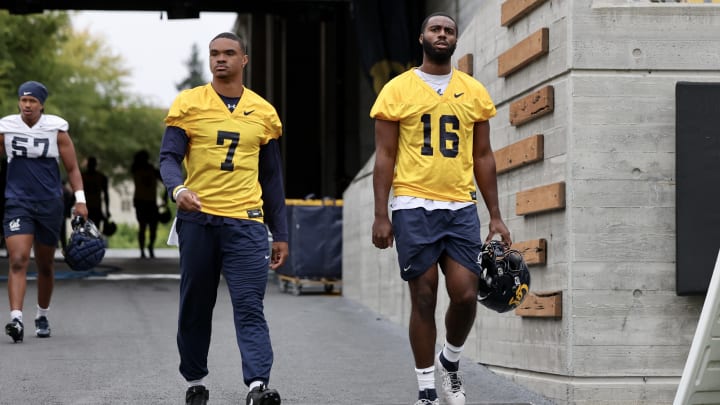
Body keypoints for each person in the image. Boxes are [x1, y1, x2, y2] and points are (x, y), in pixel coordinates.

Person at [370, 13, 512, 405]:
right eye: (436, 29)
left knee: (466, 294)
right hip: (413, 203)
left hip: (459, 205)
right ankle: (427, 389)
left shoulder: (474, 91)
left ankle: (449, 362)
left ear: (454, 40)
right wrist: (381, 214)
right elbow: (385, 155)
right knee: (424, 296)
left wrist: (496, 215)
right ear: (422, 37)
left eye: (449, 30)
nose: (443, 34)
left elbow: (483, 155)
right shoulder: (397, 90)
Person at [159, 32, 288, 405]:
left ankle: (258, 385)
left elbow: (272, 178)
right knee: (196, 303)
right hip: (199, 219)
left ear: (244, 59)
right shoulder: (189, 103)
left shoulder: (262, 112)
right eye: (215, 53)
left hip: (246, 222)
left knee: (249, 305)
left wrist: (279, 231)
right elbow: (168, 157)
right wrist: (177, 190)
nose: (220, 59)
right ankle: (195, 379)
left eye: (229, 53)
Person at [0, 81, 88, 343]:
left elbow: (72, 169)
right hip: (17, 202)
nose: (27, 105)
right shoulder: (6, 128)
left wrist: (80, 200)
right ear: (18, 102)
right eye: (23, 100)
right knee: (17, 259)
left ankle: (42, 314)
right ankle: (16, 318)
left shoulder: (56, 130)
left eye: (32, 101)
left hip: (49, 203)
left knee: (46, 264)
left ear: (41, 104)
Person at [131, 149, 164, 258]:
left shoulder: (152, 170)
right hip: (140, 202)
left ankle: (150, 246)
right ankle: (142, 250)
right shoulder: (136, 169)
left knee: (153, 228)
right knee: (142, 227)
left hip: (151, 202)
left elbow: (165, 181)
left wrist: (165, 197)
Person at [81, 156, 109, 230]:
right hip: (94, 207)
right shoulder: (101, 177)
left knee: (86, 231)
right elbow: (106, 195)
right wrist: (107, 210)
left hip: (87, 207)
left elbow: (77, 192)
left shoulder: (83, 177)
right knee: (95, 231)